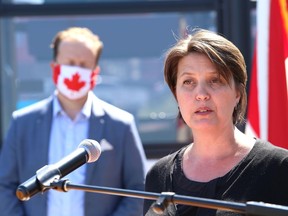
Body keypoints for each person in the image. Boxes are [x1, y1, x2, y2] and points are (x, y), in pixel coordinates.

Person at [0, 27, 147, 216]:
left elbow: (138, 188)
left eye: (83, 65)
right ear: (54, 67)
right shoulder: (22, 123)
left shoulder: (121, 124)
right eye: (69, 62)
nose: (76, 70)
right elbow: (5, 186)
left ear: (95, 72)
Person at [143, 28, 288, 216]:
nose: (201, 94)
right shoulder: (158, 174)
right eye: (188, 82)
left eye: (215, 80)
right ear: (176, 94)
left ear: (238, 93)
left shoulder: (278, 167)